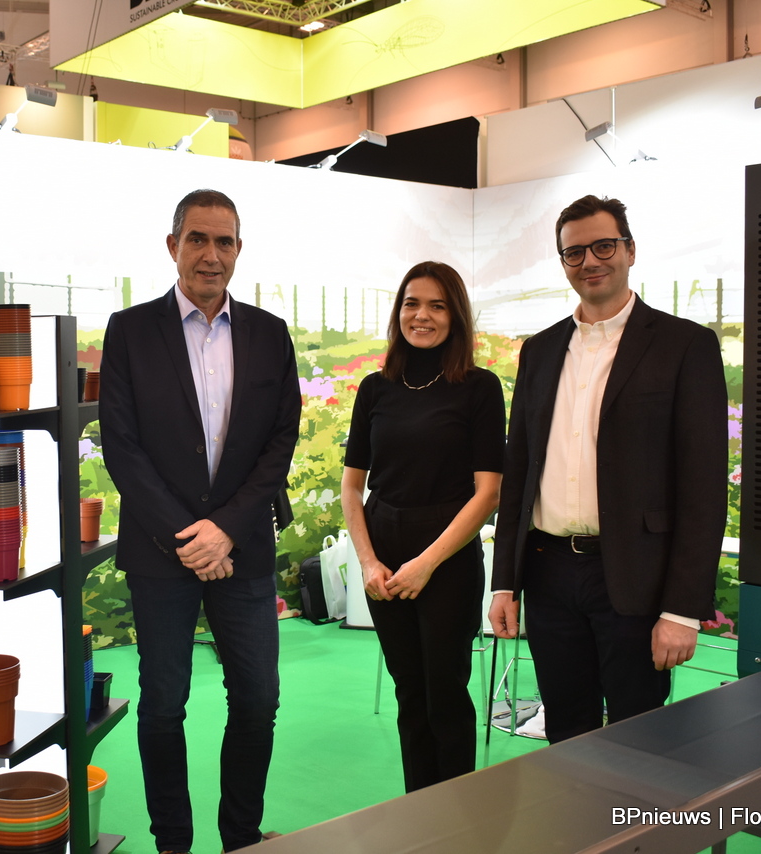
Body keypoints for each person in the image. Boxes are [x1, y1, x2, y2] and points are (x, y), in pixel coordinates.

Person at [99, 189, 301, 854]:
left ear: (239, 250)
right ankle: (173, 843)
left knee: (258, 700)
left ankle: (240, 836)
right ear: (173, 246)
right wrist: (190, 538)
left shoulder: (269, 334)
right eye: (198, 239)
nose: (211, 255)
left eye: (224, 241)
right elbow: (122, 447)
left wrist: (226, 530)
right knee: (163, 705)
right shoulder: (130, 331)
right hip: (163, 554)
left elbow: (280, 441)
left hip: (243, 550)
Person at [489, 194, 727, 744]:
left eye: (603, 246)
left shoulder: (684, 345)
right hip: (549, 573)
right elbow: (518, 471)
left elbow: (703, 487)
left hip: (635, 576)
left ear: (630, 250)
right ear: (563, 262)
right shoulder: (540, 351)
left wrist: (682, 611)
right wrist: (505, 583)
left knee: (637, 736)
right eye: (574, 252)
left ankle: (634, 807)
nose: (590, 261)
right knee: (565, 732)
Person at [340, 261, 504, 791]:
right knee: (409, 692)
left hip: (447, 556)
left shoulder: (478, 388)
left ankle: (455, 820)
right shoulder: (375, 388)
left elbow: (488, 493)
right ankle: (418, 813)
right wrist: (368, 561)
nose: (422, 315)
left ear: (455, 315)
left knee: (445, 694)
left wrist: (426, 563)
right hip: (384, 554)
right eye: (412, 303)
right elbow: (352, 487)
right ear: (398, 312)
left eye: (437, 305)